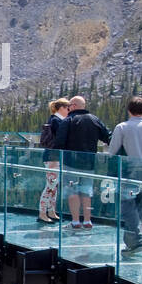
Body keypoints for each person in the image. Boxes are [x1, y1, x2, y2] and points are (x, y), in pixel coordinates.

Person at [107, 96, 142, 253]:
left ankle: (136, 242)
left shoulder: (122, 127)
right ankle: (131, 243)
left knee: (127, 206)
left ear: (129, 110)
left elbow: (112, 151)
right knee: (139, 207)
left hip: (129, 170)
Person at [54, 95, 111, 229]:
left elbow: (59, 141)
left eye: (69, 106)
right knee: (86, 191)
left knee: (72, 190)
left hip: (70, 162)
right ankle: (87, 221)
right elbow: (107, 137)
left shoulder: (68, 120)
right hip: (89, 163)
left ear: (73, 106)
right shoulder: (94, 119)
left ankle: (75, 221)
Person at [38, 97, 71, 224]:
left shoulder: (55, 120)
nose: (69, 111)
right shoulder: (56, 121)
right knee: (50, 186)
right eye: (67, 108)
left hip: (54, 157)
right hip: (53, 158)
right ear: (61, 108)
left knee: (54, 186)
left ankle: (51, 211)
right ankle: (42, 213)